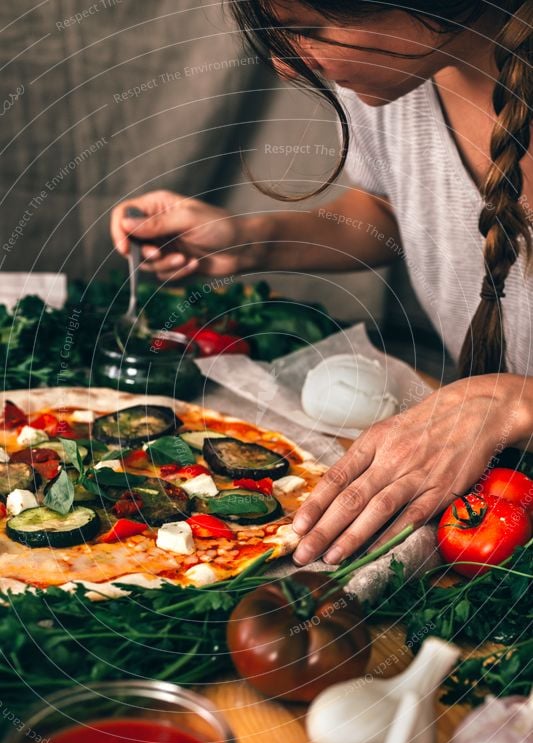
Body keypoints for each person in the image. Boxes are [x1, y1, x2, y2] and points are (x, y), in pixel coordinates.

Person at [110, 1, 533, 566]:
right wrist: (247, 238)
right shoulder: (399, 83)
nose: (288, 66)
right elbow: (391, 211)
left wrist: (510, 399)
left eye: (308, 32)